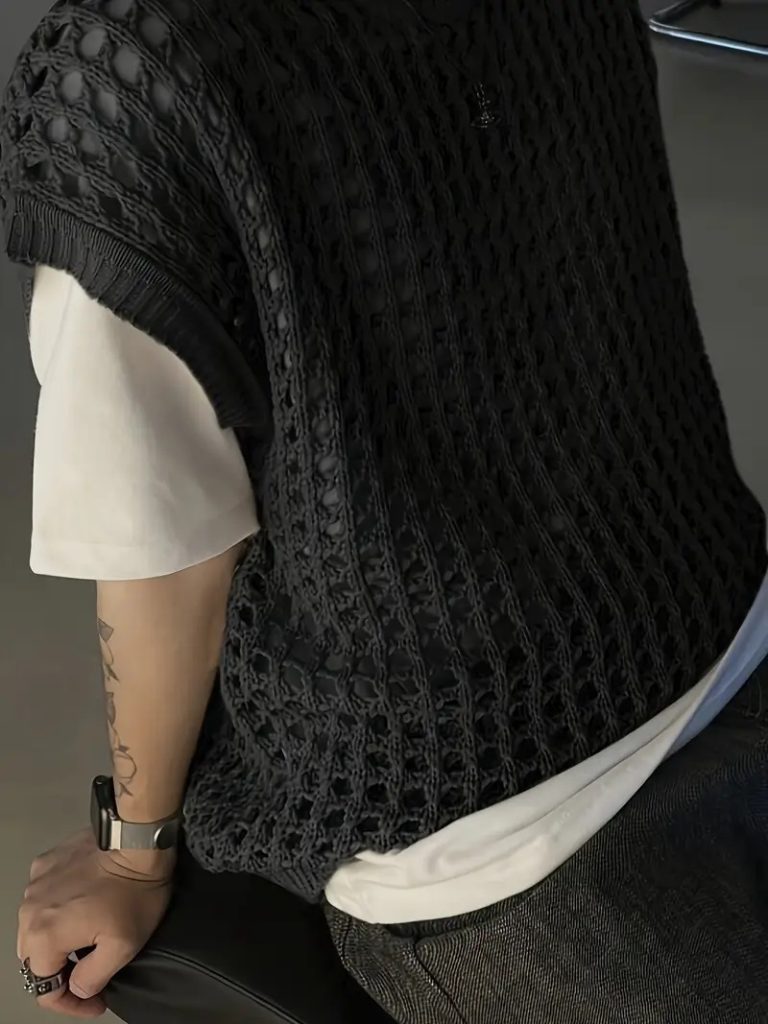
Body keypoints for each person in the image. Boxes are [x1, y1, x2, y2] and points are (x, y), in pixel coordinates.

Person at [3, 1, 768, 1021]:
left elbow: (169, 558)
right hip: (720, 617)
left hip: (492, 825)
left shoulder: (130, 83)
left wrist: (131, 857)